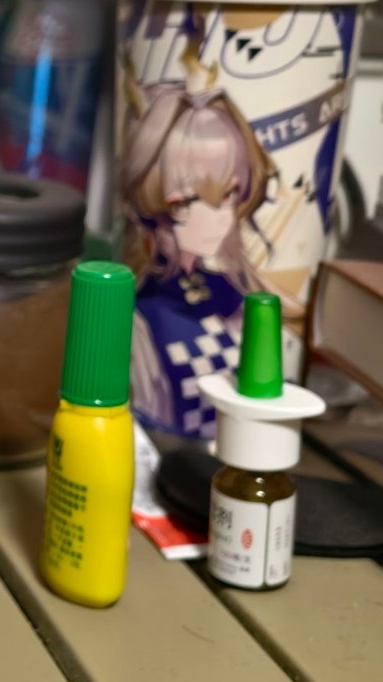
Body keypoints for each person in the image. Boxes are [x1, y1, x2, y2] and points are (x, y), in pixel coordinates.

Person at [120, 49, 290, 440]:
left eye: (229, 194)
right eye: (188, 201)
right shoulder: (141, 318)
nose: (220, 218)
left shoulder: (233, 296)